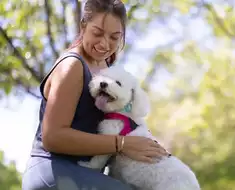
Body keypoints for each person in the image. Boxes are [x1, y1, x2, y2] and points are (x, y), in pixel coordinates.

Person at [22, 0, 169, 189]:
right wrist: (122, 143)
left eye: (115, 37)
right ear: (83, 25)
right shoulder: (72, 66)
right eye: (97, 33)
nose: (105, 43)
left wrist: (145, 145)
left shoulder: (106, 70)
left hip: (87, 174)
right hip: (54, 171)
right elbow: (52, 137)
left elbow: (124, 121)